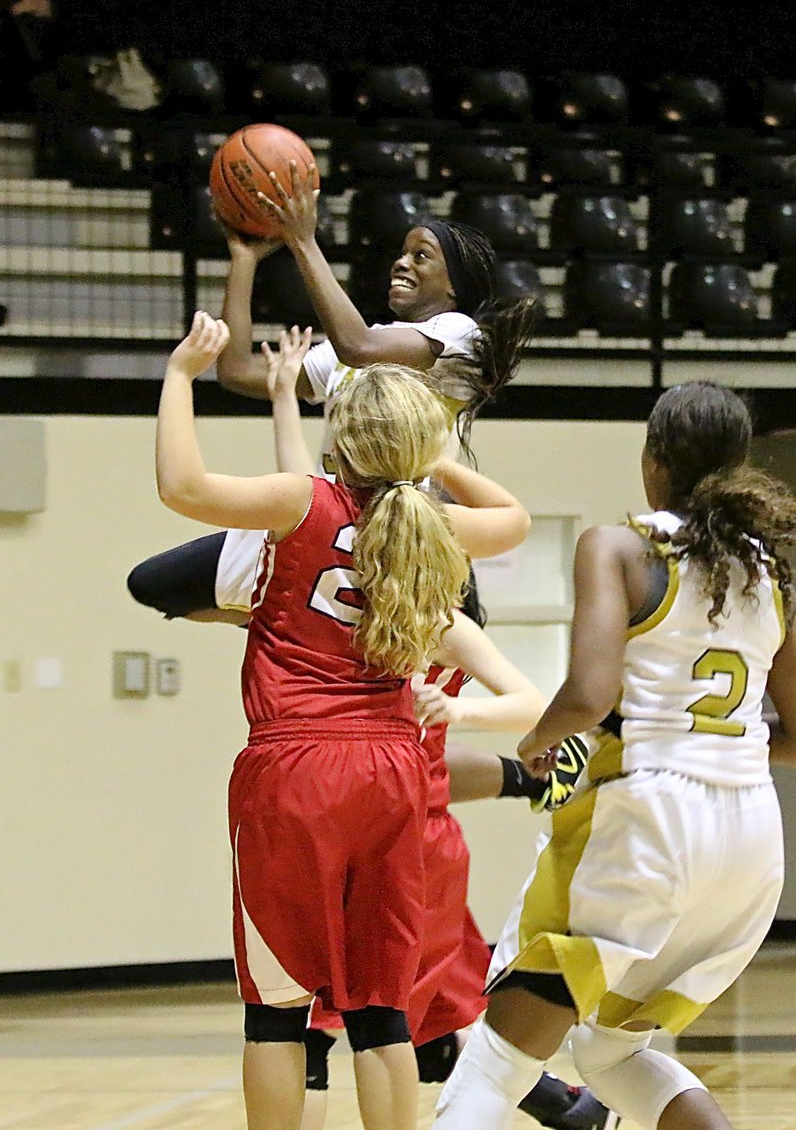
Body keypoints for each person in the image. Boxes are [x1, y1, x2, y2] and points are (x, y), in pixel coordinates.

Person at [155, 309, 530, 1130]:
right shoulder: (432, 528)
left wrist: (181, 377)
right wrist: (438, 458)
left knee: (276, 1008)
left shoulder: (298, 503)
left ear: (339, 438)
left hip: (295, 767)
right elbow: (515, 518)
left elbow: (182, 488)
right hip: (394, 771)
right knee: (381, 1009)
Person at [432, 380, 796, 1130]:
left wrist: (534, 742)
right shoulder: (769, 576)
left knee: (498, 1058)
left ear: (652, 461)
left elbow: (587, 694)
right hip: (749, 844)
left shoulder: (619, 546)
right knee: (612, 1053)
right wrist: (721, 742)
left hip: (650, 823)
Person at [263, 325, 615, 1130]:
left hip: (391, 831)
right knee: (420, 1017)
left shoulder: (422, 614)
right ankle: (567, 1108)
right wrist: (295, 399)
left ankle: (562, 1106)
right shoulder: (367, 590)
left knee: (350, 1020)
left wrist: (412, 441)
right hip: (397, 816)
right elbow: (303, 503)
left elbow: (298, 502)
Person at [127, 166, 539, 624]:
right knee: (156, 584)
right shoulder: (365, 343)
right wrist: (244, 261)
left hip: (403, 524)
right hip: (328, 515)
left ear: (454, 286)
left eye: (421, 256)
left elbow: (359, 347)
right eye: (402, 253)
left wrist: (303, 240)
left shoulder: (459, 334)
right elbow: (237, 370)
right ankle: (282, 620)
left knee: (433, 663)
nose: (402, 263)